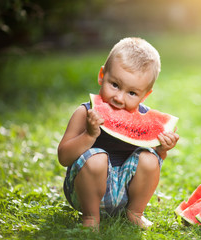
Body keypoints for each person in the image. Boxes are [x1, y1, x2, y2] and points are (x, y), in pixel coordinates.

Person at [58, 37, 179, 230]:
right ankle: (90, 218)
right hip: (85, 192)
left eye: (132, 93)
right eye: (114, 84)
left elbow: (154, 163)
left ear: (145, 95)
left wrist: (162, 149)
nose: (119, 98)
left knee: (150, 159)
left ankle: (135, 213)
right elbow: (64, 157)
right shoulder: (85, 112)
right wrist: (89, 136)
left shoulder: (144, 118)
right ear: (102, 75)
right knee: (96, 159)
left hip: (125, 194)